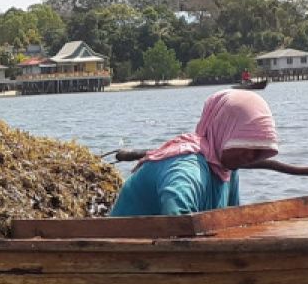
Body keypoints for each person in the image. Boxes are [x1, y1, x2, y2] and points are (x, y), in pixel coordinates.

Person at [109, 89, 278, 217]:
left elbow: (233, 220)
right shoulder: (188, 168)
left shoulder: (228, 170)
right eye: (246, 146)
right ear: (225, 132)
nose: (250, 156)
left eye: (258, 150)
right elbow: (176, 218)